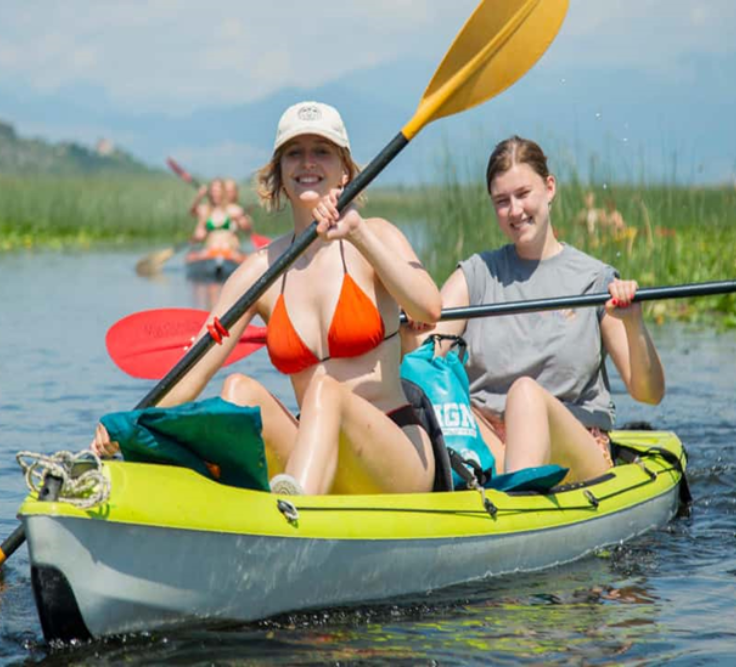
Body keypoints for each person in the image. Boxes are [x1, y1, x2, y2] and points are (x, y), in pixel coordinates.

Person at [92, 101, 443, 496]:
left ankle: (290, 517)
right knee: (239, 390)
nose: (307, 163)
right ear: (279, 173)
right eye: (294, 153)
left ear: (344, 170)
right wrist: (126, 427)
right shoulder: (258, 271)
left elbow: (428, 308)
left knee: (326, 390)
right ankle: (224, 502)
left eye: (321, 151)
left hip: (396, 452)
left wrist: (358, 234)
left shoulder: (376, 234)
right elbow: (193, 373)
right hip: (316, 454)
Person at [409, 135, 664, 483]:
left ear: (549, 188)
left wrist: (633, 323)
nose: (514, 211)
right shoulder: (475, 275)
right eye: (502, 201)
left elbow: (648, 393)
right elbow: (427, 358)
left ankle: (515, 512)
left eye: (523, 194)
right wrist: (412, 330)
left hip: (574, 443)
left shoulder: (595, 280)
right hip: (489, 441)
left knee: (525, 394)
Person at [189, 177, 241, 251]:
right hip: (211, 251)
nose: (215, 194)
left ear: (223, 192)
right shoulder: (206, 210)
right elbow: (193, 212)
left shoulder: (233, 209)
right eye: (213, 191)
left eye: (218, 191)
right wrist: (199, 196)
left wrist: (241, 222)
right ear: (210, 193)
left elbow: (246, 225)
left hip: (230, 251)